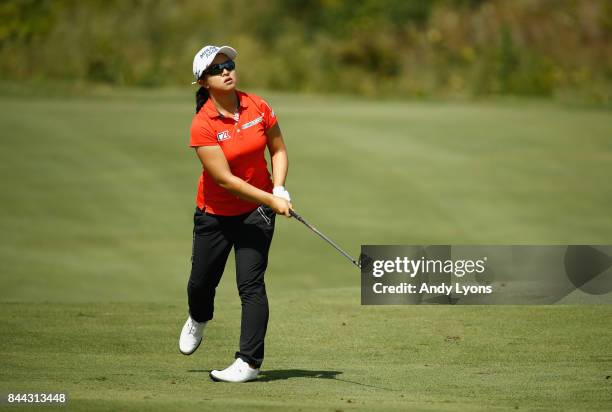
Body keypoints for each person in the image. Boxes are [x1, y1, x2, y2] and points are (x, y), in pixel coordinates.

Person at [178, 45, 293, 383]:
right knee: (201, 284)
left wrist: (279, 189)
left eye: (229, 65)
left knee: (251, 285)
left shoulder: (258, 106)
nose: (226, 71)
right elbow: (225, 180)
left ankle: (249, 362)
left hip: (256, 213)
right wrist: (271, 200)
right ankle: (198, 318)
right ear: (203, 82)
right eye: (217, 70)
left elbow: (279, 149)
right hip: (214, 213)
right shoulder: (202, 125)